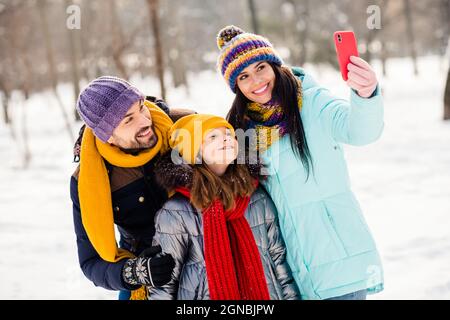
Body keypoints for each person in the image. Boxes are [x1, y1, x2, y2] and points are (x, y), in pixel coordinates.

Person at [216, 25, 384, 300]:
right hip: (292, 273)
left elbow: (361, 131)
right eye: (244, 76)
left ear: (274, 65)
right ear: (236, 86)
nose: (256, 81)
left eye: (260, 67)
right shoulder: (243, 130)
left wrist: (366, 95)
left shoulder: (313, 102)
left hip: (340, 261)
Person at [148, 114, 299, 300]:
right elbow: (164, 285)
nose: (226, 138)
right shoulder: (176, 212)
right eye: (212, 136)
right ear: (192, 152)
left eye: (228, 133)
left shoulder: (256, 197)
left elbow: (279, 262)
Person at [70, 76, 194, 299]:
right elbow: (91, 262)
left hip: (205, 249)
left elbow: (237, 149)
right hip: (149, 268)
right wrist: (135, 272)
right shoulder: (89, 179)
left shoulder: (184, 127)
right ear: (108, 137)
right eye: (128, 120)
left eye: (141, 108)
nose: (145, 121)